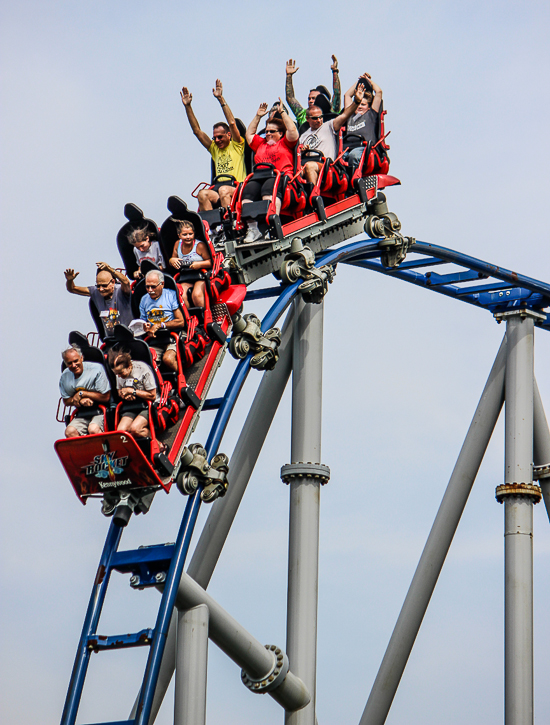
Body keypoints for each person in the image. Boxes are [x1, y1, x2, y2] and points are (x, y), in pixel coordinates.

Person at [180, 80, 245, 210]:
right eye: (214, 138)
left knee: (224, 191)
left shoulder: (237, 145)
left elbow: (232, 123)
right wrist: (188, 106)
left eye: (220, 137)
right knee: (202, 194)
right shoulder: (214, 148)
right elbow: (197, 131)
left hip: (236, 187)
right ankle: (212, 228)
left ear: (229, 135)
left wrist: (220, 98)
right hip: (218, 188)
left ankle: (229, 223)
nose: (217, 140)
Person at [242, 100, 299, 243]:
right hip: (259, 177)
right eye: (266, 131)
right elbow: (249, 134)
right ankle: (253, 229)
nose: (267, 134)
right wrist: (258, 116)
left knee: (269, 187)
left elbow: (293, 131)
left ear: (280, 133)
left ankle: (271, 225)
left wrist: (283, 113)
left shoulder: (285, 142)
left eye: (272, 132)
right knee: (247, 192)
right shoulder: (261, 144)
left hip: (280, 177)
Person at [299, 84, 365, 186]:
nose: (319, 120)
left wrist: (356, 102)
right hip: (308, 165)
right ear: (308, 119)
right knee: (296, 172)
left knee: (309, 166)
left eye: (321, 117)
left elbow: (344, 115)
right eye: (315, 118)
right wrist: (303, 150)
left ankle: (313, 197)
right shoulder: (303, 136)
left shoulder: (329, 126)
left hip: (328, 167)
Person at [64, 262, 133, 334]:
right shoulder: (96, 292)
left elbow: (126, 282)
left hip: (129, 336)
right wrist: (69, 280)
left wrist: (109, 269)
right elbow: (72, 289)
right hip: (112, 340)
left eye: (104, 286)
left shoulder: (120, 290)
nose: (101, 289)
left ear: (112, 282)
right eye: (98, 286)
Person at [139, 270, 186, 371]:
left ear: (162, 284)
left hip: (173, 336)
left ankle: (182, 378)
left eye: (153, 287)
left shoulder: (171, 295)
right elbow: (142, 321)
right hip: (155, 339)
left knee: (168, 359)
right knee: (145, 363)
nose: (150, 290)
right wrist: (145, 327)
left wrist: (160, 325)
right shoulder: (144, 300)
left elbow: (180, 321)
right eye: (147, 287)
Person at [59, 346, 111, 437]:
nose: (74, 365)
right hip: (82, 412)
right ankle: (85, 450)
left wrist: (82, 394)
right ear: (66, 364)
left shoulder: (96, 369)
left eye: (76, 361)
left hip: (100, 409)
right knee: (69, 431)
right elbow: (66, 401)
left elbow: (106, 397)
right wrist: (79, 400)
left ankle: (106, 450)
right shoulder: (65, 376)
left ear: (81, 358)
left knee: (93, 429)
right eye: (70, 363)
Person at [108, 349, 158, 439]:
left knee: (135, 429)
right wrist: (125, 395)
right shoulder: (118, 373)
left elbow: (152, 396)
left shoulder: (142, 369)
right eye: (116, 373)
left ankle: (160, 446)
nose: (118, 376)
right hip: (132, 405)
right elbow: (119, 390)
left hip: (148, 404)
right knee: (121, 432)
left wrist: (132, 391)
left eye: (120, 373)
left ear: (129, 366)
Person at [342, 73, 383, 174]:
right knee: (337, 158)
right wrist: (359, 83)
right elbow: (347, 95)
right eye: (358, 104)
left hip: (364, 149)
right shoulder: (350, 116)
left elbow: (378, 92)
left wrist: (367, 81)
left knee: (353, 156)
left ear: (368, 107)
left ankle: (355, 181)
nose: (359, 107)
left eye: (363, 104)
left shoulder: (371, 114)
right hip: (347, 148)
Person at [285, 56, 342, 127]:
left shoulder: (331, 112)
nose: (311, 101)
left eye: (314, 98)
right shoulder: (303, 115)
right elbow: (290, 98)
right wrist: (289, 76)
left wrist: (335, 71)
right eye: (309, 98)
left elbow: (337, 94)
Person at [168, 220, 212, 308]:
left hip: (200, 275)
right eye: (184, 235)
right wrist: (172, 260)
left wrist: (199, 264)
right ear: (179, 235)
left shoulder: (200, 246)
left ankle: (205, 316)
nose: (188, 237)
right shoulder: (177, 244)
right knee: (181, 295)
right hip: (186, 276)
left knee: (196, 295)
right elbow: (173, 258)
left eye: (190, 234)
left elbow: (210, 262)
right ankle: (189, 318)